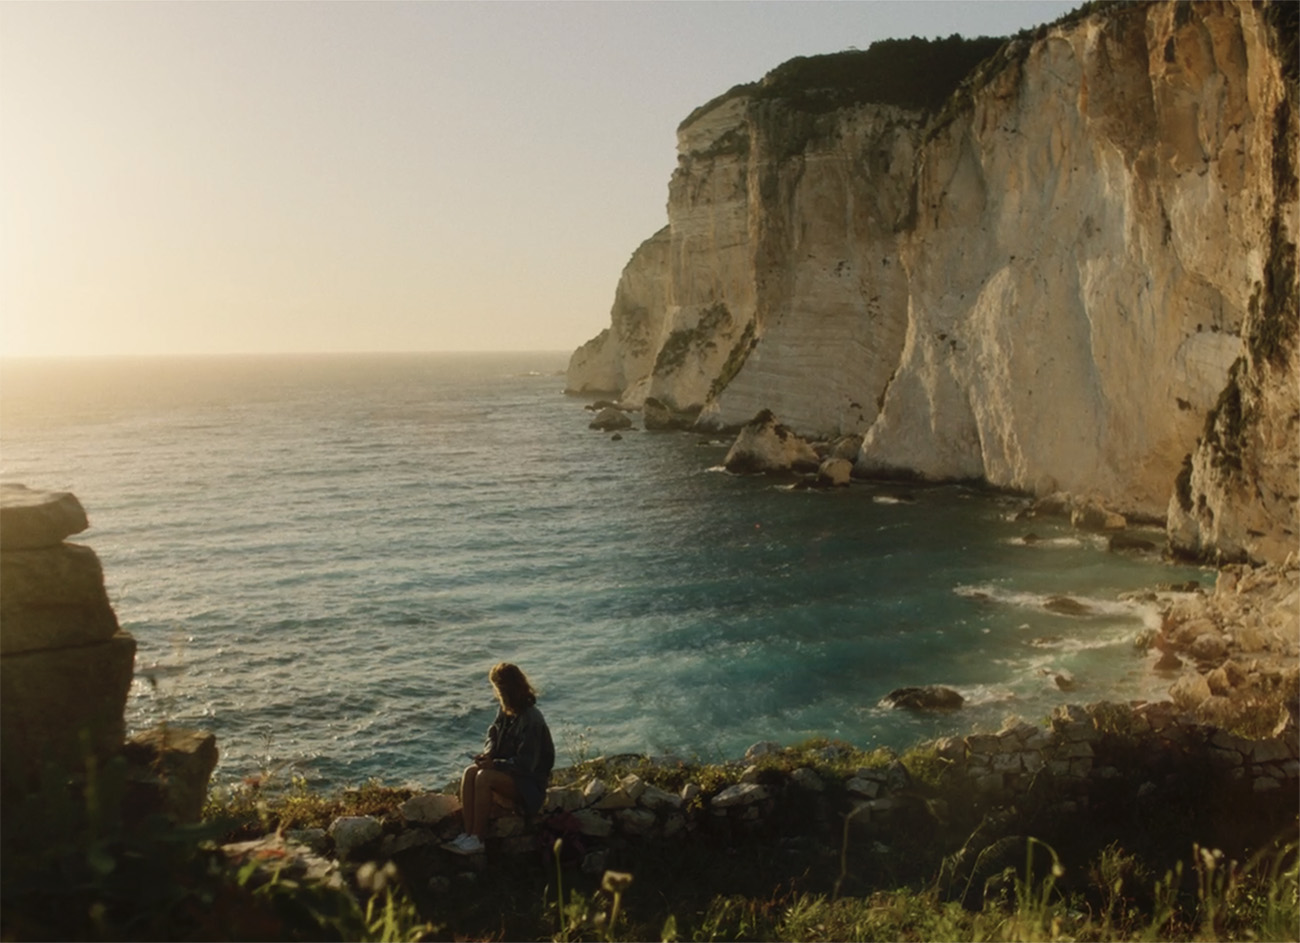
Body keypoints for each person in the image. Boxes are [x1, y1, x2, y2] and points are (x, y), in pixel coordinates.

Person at [444, 662, 555, 855]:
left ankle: (478, 838)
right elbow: (492, 735)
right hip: (511, 773)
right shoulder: (506, 711)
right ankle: (468, 833)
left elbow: (525, 765)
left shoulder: (532, 720)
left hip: (529, 785)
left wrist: (494, 764)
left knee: (484, 777)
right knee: (470, 772)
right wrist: (488, 754)